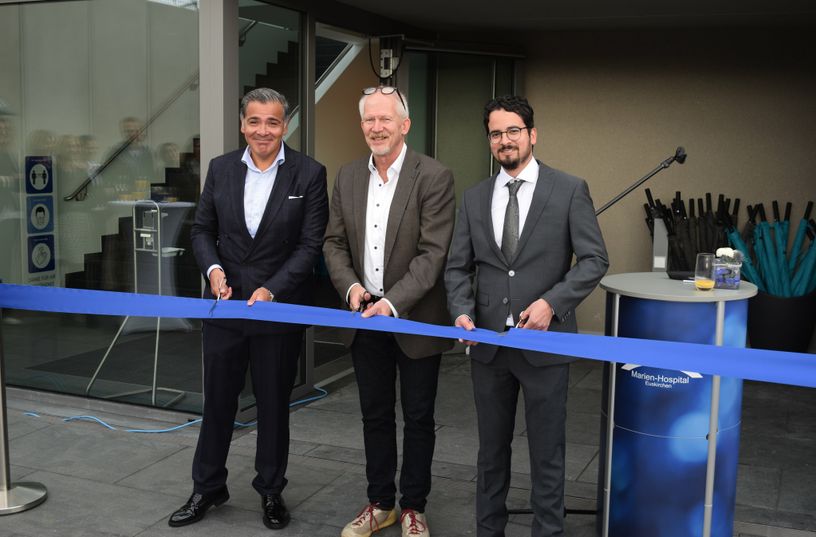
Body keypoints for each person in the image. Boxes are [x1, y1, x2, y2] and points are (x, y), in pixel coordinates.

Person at [445, 95, 608, 537]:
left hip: (546, 345)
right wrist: (461, 312)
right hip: (488, 347)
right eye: (496, 133)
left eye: (513, 130)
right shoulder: (474, 197)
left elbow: (594, 259)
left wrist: (552, 303)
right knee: (490, 454)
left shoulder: (569, 189)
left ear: (532, 135)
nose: (505, 140)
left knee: (547, 454)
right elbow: (457, 267)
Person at [170, 88, 328, 530]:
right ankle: (207, 487)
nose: (263, 130)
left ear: (285, 126)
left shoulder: (309, 174)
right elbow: (202, 230)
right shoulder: (221, 168)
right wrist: (213, 270)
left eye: (272, 122)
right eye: (254, 121)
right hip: (225, 307)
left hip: (277, 310)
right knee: (218, 402)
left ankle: (271, 490)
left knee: (273, 406)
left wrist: (272, 290)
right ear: (242, 124)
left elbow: (309, 245)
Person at [323, 85, 455, 537]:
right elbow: (334, 243)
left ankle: (414, 506)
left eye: (385, 119)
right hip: (364, 319)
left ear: (405, 125)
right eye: (369, 119)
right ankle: (381, 504)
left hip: (414, 319)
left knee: (418, 418)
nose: (376, 127)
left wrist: (391, 302)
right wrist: (352, 288)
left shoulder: (434, 176)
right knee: (374, 416)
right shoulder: (347, 176)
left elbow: (433, 254)